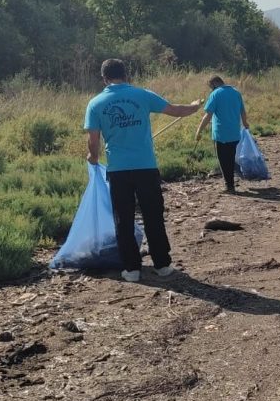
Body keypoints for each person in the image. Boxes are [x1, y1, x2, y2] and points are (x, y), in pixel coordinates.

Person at [85, 58, 203, 283]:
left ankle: (131, 269)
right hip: (146, 167)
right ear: (126, 74)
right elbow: (176, 110)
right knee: (153, 215)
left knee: (124, 219)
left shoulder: (95, 103)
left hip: (118, 170)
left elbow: (93, 140)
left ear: (104, 78)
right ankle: (162, 265)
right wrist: (195, 106)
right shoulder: (143, 95)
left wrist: (93, 157)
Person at [195, 75, 249, 194]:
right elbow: (242, 111)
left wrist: (199, 130)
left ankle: (229, 186)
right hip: (235, 133)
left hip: (221, 134)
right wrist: (245, 124)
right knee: (230, 157)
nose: (211, 89)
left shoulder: (215, 94)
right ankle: (232, 181)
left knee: (224, 160)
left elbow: (208, 115)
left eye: (211, 86)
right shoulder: (236, 92)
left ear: (214, 84)